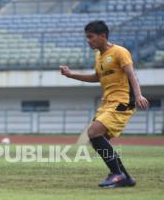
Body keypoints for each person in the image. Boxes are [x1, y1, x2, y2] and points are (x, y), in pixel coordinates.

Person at [60, 20, 148, 188]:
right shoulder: (99, 56)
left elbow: (131, 74)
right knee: (96, 139)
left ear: (103, 36)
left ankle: (117, 174)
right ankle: (125, 178)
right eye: (87, 37)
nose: (88, 40)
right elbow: (97, 78)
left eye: (90, 36)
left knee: (93, 131)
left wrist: (138, 95)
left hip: (122, 101)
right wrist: (71, 75)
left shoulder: (120, 52)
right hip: (108, 103)